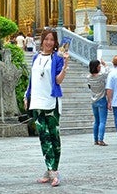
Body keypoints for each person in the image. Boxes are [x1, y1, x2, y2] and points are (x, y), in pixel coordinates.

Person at [24, 29, 70, 186]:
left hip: (51, 101)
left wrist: (65, 66)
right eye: (46, 39)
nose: (49, 42)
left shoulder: (57, 58)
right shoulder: (36, 57)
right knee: (43, 137)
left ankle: (52, 170)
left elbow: (58, 80)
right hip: (37, 102)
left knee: (54, 137)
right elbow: (32, 79)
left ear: (55, 42)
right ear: (42, 40)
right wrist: (27, 95)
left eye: (52, 40)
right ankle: (51, 169)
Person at [87, 59, 109, 146]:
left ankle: (95, 139)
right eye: (99, 66)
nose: (100, 68)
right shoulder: (101, 76)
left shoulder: (88, 77)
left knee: (96, 121)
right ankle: (101, 139)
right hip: (102, 99)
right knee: (102, 121)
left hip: (94, 100)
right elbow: (108, 71)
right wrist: (105, 64)